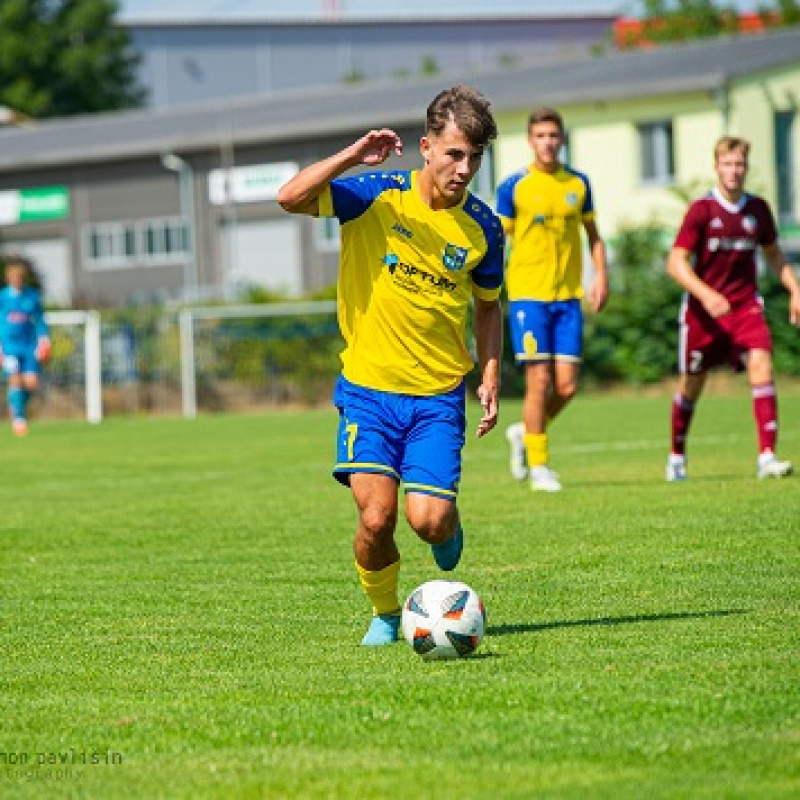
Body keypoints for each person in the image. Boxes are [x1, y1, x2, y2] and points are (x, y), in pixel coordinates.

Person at [277, 85, 504, 646]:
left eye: (475, 158)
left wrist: (491, 374)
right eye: (454, 154)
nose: (465, 168)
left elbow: (488, 306)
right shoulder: (375, 196)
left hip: (436, 397)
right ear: (426, 147)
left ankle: (445, 525)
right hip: (368, 391)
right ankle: (384, 612)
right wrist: (352, 155)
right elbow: (288, 197)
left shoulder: (484, 228)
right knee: (376, 519)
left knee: (427, 521)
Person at [666, 135, 800, 481]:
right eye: (727, 164)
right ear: (717, 167)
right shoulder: (702, 211)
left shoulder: (758, 210)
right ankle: (677, 456)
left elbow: (773, 254)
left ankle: (767, 455)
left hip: (744, 307)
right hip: (702, 312)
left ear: (747, 168)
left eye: (739, 164)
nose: (734, 170)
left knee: (762, 363)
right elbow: (676, 262)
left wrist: (794, 288)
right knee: (692, 384)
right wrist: (706, 294)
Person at [496, 107, 608, 492]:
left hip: (568, 299)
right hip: (528, 297)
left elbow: (594, 236)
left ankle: (524, 433)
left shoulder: (578, 183)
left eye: (553, 135)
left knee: (567, 388)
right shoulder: (514, 186)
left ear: (562, 139)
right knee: (539, 380)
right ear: (530, 140)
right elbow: (499, 240)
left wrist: (601, 276)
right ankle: (540, 465)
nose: (547, 142)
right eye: (540, 136)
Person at [0, 255, 51, 436]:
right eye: (14, 278)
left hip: (29, 346)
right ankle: (18, 418)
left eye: (20, 278)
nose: (17, 281)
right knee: (15, 379)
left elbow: (40, 321)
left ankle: (17, 405)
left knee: (31, 384)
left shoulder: (32, 296)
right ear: (9, 279)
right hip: (9, 346)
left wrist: (45, 341)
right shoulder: (2, 297)